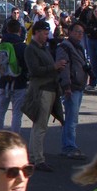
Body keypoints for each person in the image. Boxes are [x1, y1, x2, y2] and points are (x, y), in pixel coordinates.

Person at [22, 20, 64, 172]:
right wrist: (54, 66)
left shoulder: (43, 48)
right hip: (41, 89)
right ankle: (38, 159)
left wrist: (56, 68)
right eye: (45, 33)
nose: (47, 36)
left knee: (39, 126)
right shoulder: (31, 49)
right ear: (37, 32)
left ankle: (34, 156)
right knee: (40, 126)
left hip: (49, 88)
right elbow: (34, 70)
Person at [57, 22, 91, 160]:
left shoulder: (79, 46)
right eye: (77, 31)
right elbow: (64, 67)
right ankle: (69, 146)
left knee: (72, 118)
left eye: (81, 32)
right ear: (70, 32)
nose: (79, 34)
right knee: (71, 119)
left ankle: (69, 144)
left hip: (79, 85)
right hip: (72, 87)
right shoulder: (65, 46)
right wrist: (66, 86)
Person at [0, 19, 28, 134]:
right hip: (19, 83)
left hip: (3, 82)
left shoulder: (0, 45)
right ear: (19, 30)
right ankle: (14, 138)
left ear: (7, 30)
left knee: (0, 112)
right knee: (17, 113)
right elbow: (26, 66)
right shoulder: (22, 46)